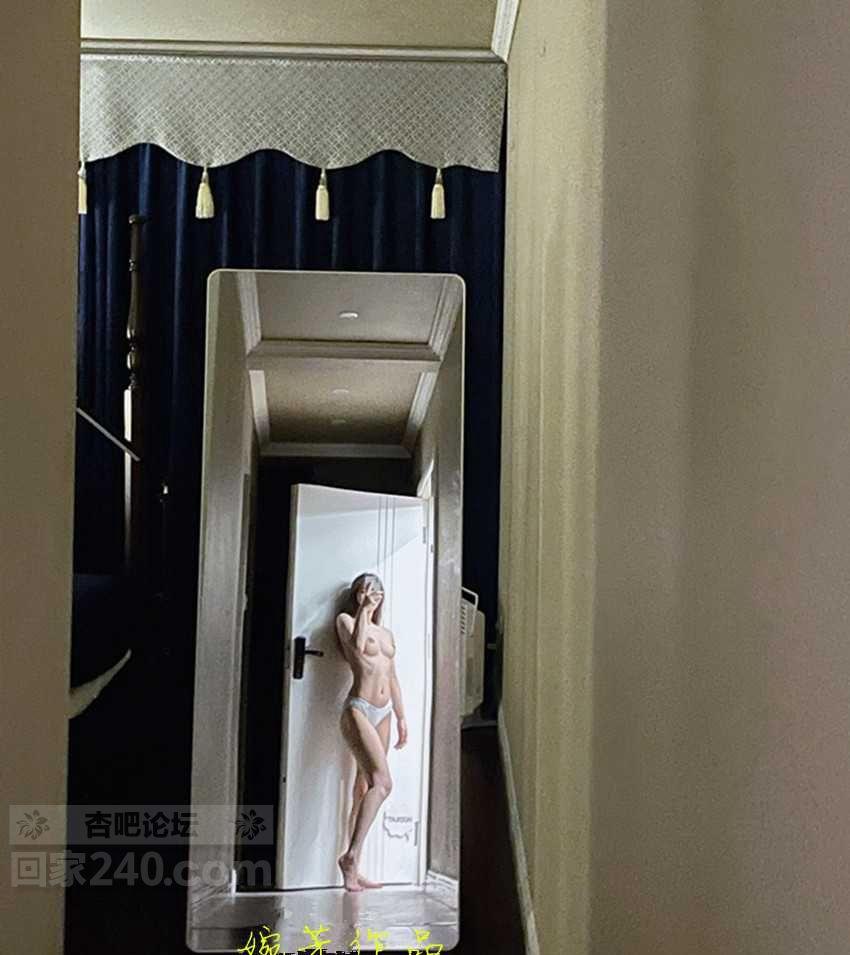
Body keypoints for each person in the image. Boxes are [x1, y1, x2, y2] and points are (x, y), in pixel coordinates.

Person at [335, 572, 407, 891]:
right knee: (383, 782)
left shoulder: (386, 633)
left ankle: (355, 863)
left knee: (364, 786)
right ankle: (350, 858)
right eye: (365, 590)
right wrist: (364, 610)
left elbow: (392, 677)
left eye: (376, 591)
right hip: (359, 709)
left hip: (384, 713)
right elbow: (357, 646)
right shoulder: (347, 621)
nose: (371, 595)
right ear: (357, 594)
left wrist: (402, 717)